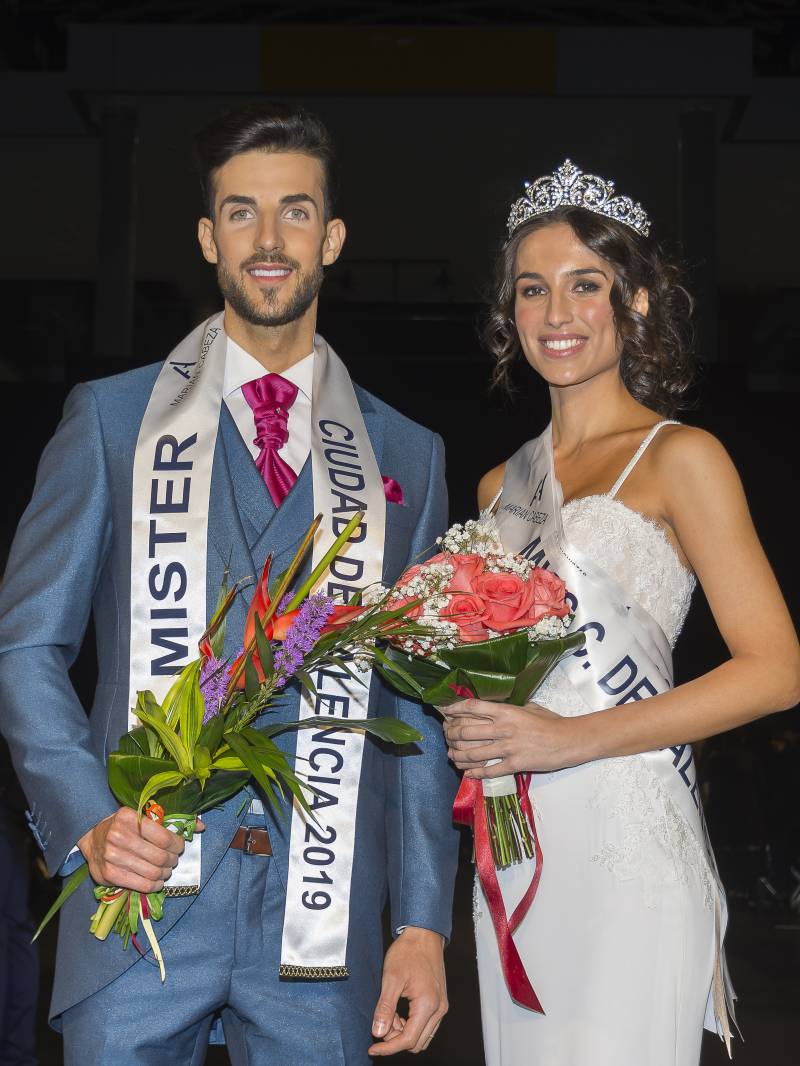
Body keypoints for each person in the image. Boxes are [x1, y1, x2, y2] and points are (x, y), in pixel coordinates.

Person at [0, 102, 460, 1065]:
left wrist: (422, 922)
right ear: (209, 239)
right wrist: (87, 822)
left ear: (331, 239)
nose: (269, 239)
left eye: (296, 212)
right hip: (134, 918)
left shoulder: (405, 457)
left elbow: (415, 715)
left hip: (320, 935)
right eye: (241, 213)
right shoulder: (111, 422)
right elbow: (27, 647)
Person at [443, 159, 800, 1065]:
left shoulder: (684, 457)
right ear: (508, 314)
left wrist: (568, 741)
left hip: (628, 835)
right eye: (533, 290)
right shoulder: (499, 488)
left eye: (585, 285)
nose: (556, 313)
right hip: (518, 846)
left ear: (635, 299)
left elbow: (775, 670)